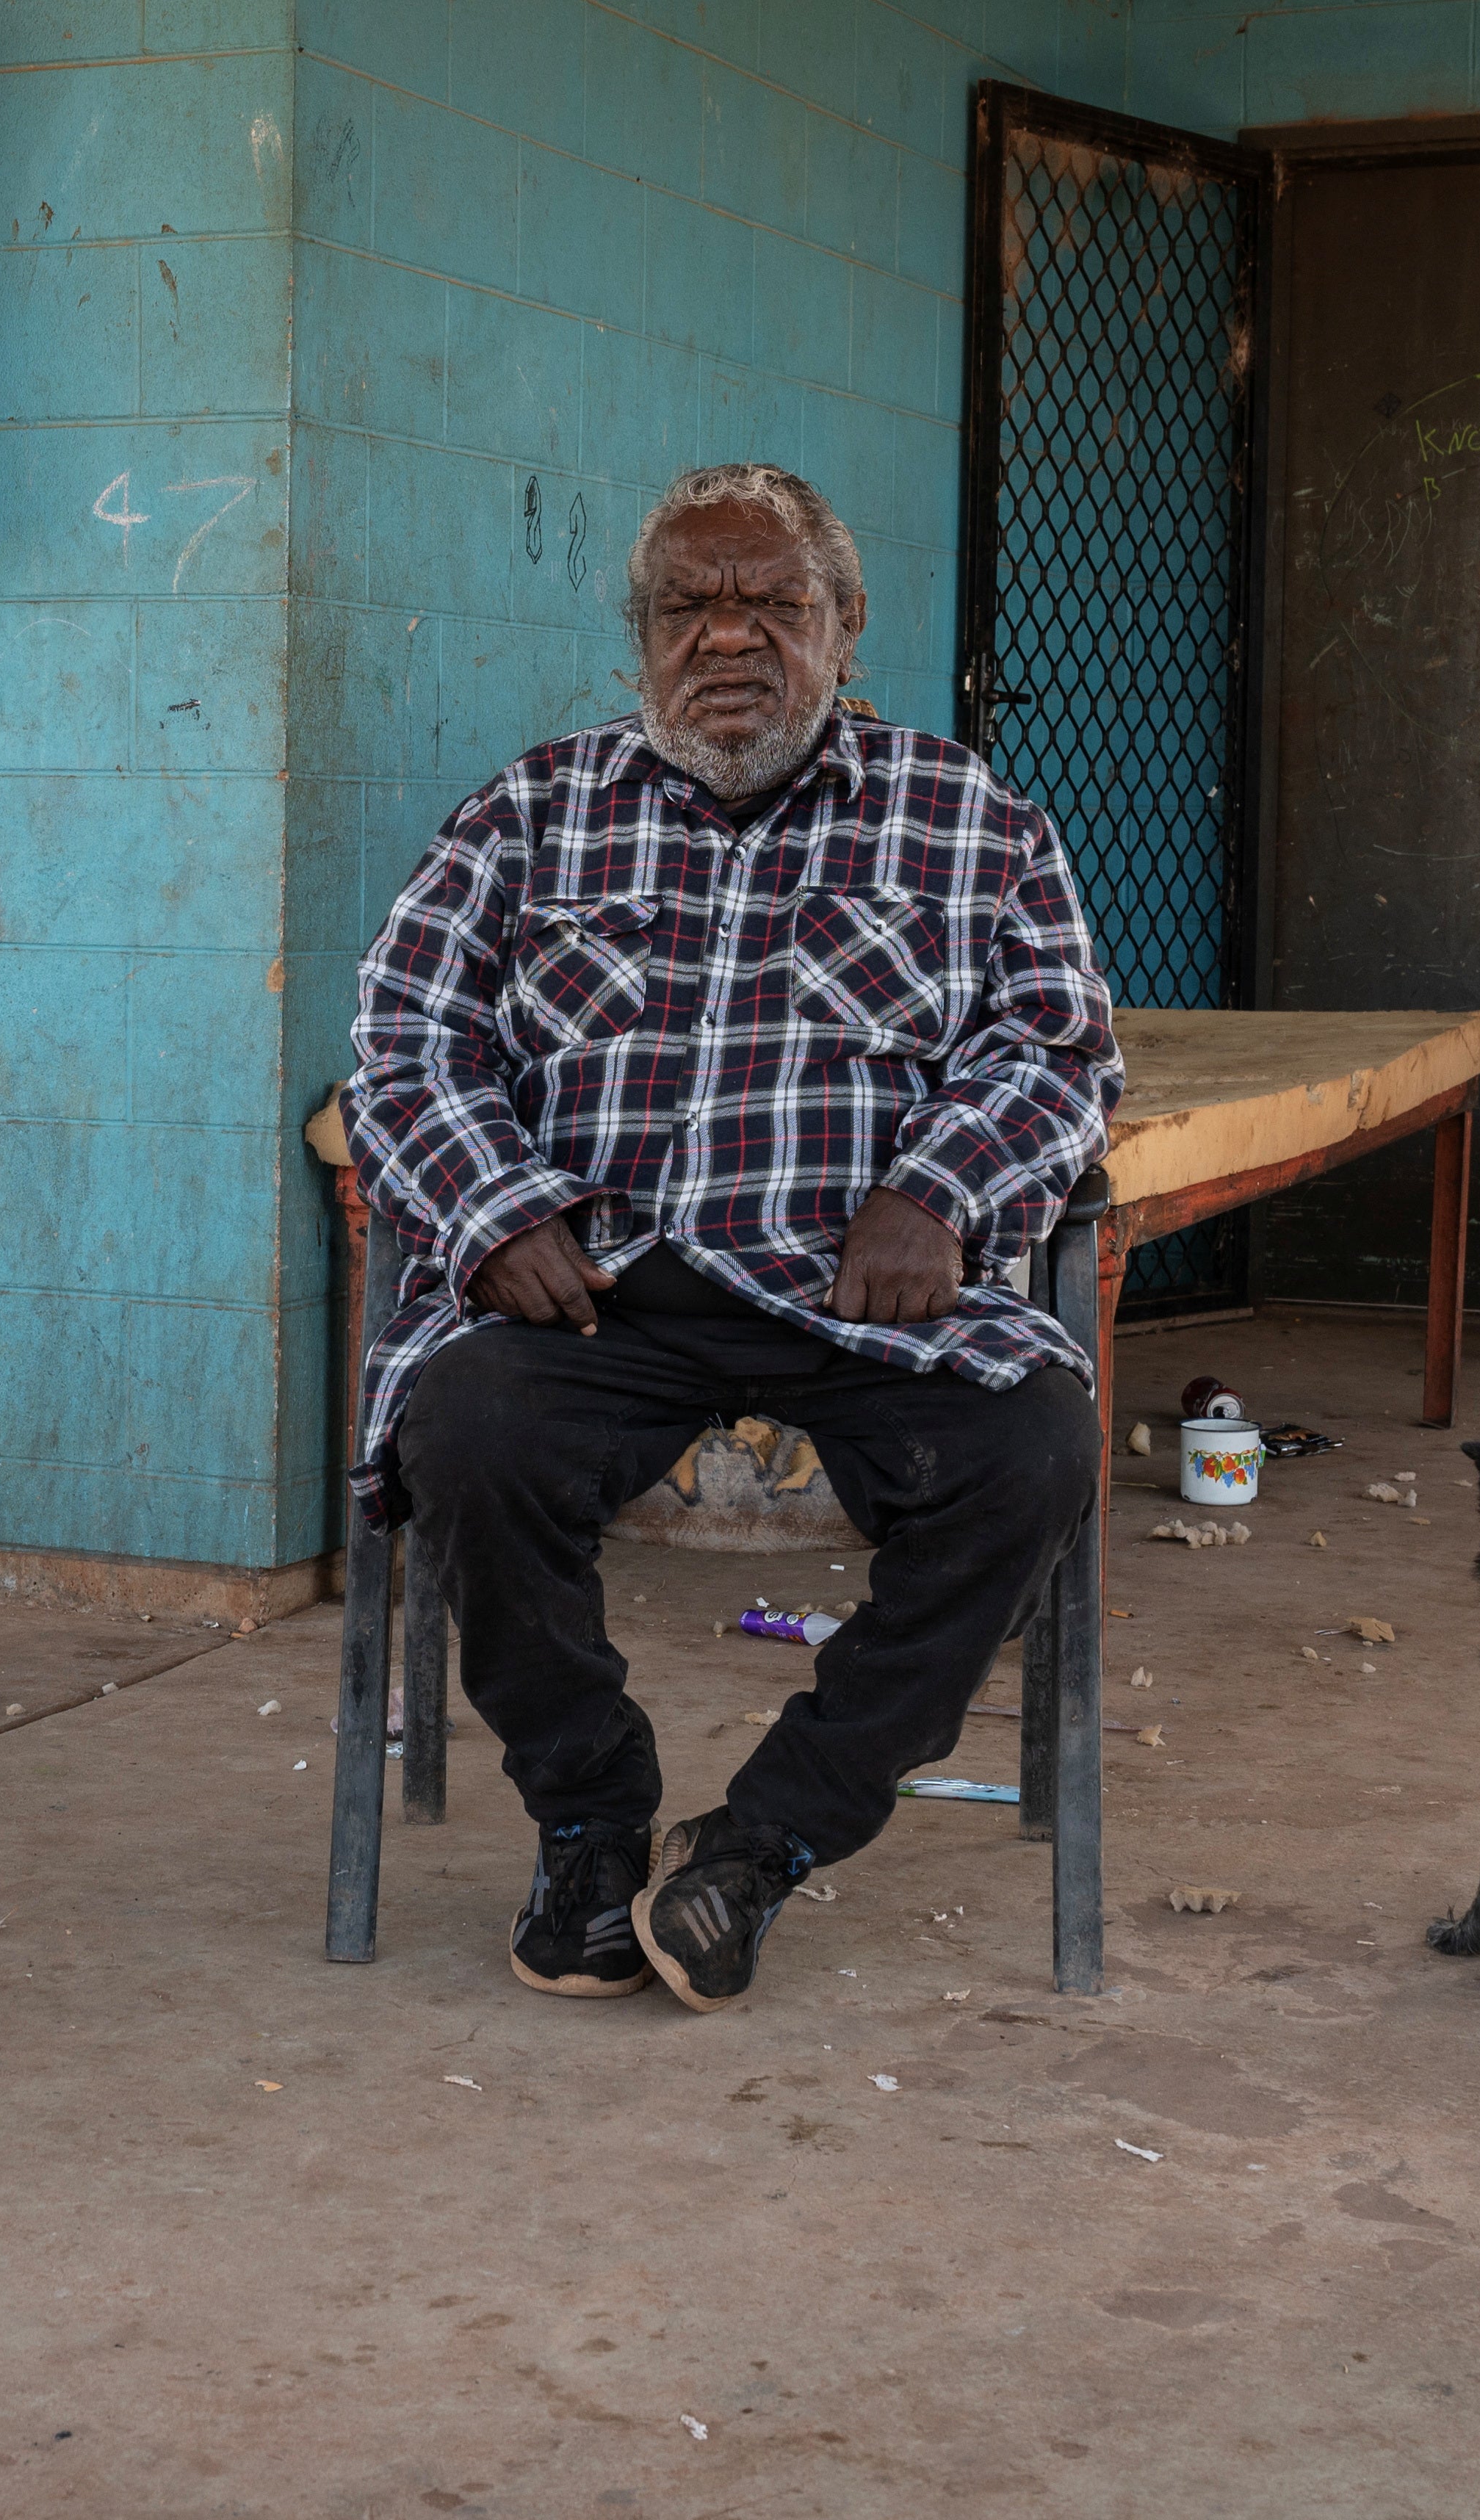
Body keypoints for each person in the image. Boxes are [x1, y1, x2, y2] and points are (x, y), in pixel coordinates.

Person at [344, 463, 1119, 2015]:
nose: (727, 636)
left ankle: (762, 1840)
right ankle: (588, 1817)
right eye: (688, 605)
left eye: (772, 602)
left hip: (857, 1287)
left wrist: (939, 1190)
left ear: (844, 630)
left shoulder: (968, 816)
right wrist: (496, 1214)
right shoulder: (527, 811)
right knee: (463, 1433)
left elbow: (1057, 1049)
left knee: (1030, 1449)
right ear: (637, 637)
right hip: (600, 1286)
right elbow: (401, 1039)